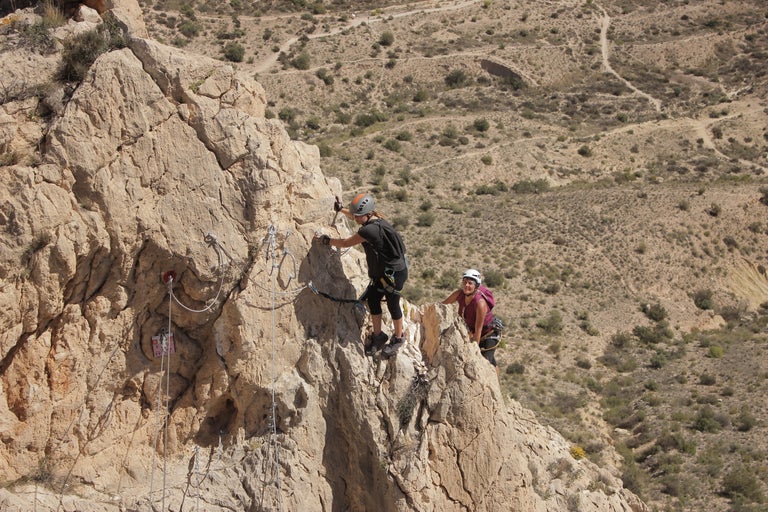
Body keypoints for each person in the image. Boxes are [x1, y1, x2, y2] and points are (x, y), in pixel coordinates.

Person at [315, 193, 408, 357]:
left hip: (393, 275)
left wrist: (327, 241)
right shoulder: (374, 220)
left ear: (369, 213)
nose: (356, 219)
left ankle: (399, 338)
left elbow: (345, 243)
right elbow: (357, 217)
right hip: (384, 272)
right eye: (355, 215)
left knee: (393, 305)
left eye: (359, 216)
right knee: (373, 300)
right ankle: (379, 336)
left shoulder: (370, 230)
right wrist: (341, 210)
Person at [443, 269, 500, 372]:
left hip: (488, 334)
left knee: (486, 363)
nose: (466, 285)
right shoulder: (459, 294)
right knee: (491, 362)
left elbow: (478, 330)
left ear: (476, 286)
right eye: (465, 282)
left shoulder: (480, 303)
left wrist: (474, 352)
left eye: (470, 283)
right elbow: (442, 305)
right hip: (472, 332)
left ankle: (494, 381)